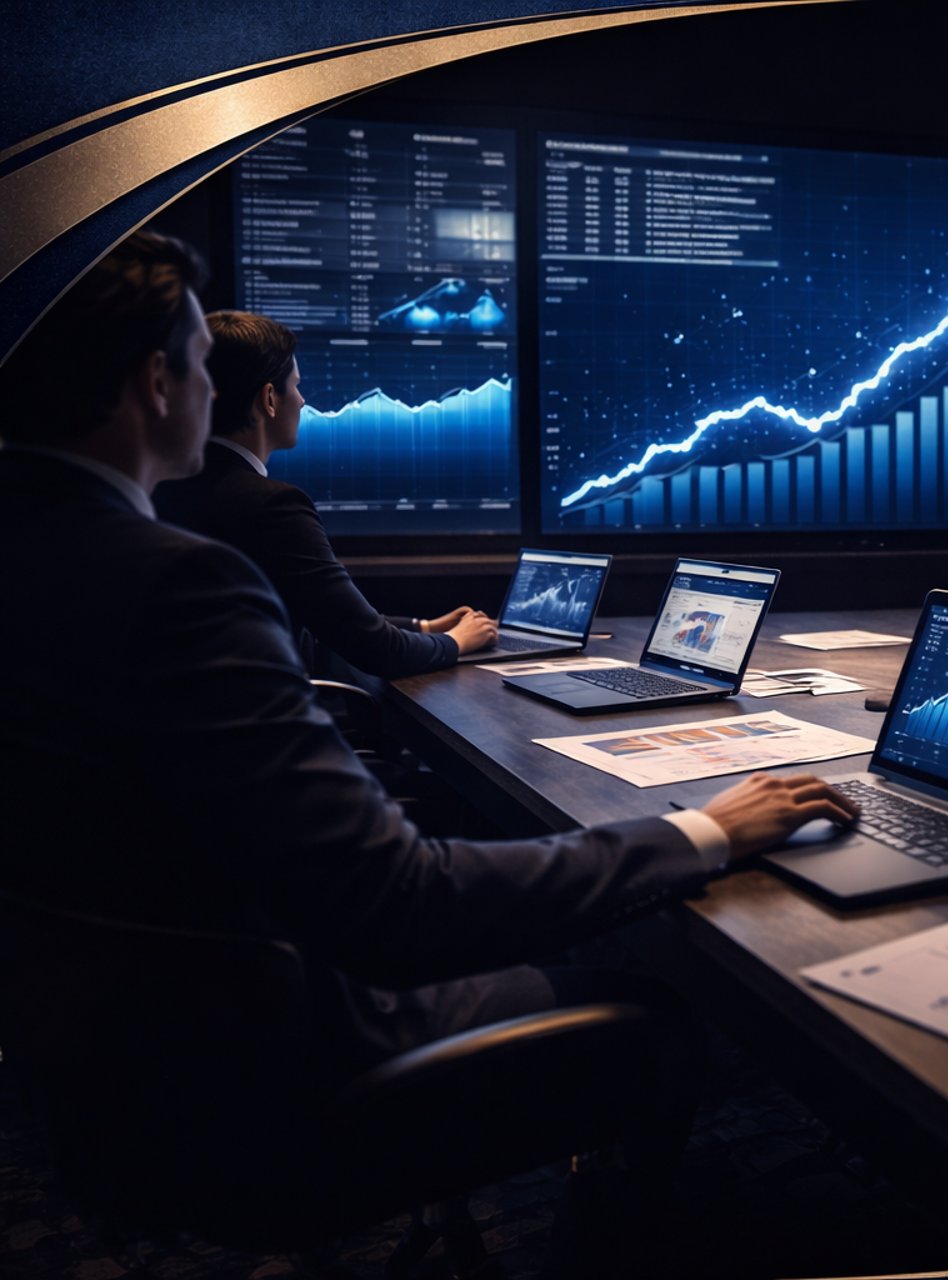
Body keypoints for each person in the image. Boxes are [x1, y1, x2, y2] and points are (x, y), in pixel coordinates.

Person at [0, 230, 856, 1077]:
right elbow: (401, 903)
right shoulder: (181, 587)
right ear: (158, 383)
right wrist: (703, 829)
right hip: (256, 1045)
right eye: (197, 361)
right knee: (656, 1016)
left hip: (101, 1037)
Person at [153, 310, 496, 677]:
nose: (302, 401)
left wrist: (424, 627)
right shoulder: (272, 507)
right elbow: (377, 650)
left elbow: (315, 611)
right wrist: (458, 641)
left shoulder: (165, 490)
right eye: (296, 386)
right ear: (269, 399)